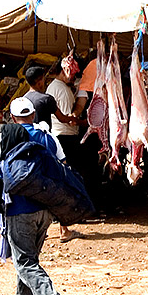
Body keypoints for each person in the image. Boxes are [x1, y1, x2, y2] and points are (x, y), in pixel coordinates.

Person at [0, 97, 73, 295]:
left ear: (12, 118)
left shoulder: (6, 137)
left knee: (24, 261)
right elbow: (62, 165)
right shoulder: (48, 136)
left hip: (18, 208)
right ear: (33, 115)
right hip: (46, 210)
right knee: (29, 259)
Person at [44, 62, 84, 243]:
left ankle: (62, 220)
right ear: (64, 70)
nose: (73, 77)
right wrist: (85, 121)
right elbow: (70, 119)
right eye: (72, 73)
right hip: (66, 137)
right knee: (68, 178)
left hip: (59, 136)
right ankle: (66, 221)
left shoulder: (54, 87)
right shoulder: (62, 90)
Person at [23, 66, 75, 131]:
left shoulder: (23, 99)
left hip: (28, 137)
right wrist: (73, 119)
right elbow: (62, 118)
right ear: (39, 82)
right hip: (43, 137)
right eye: (43, 79)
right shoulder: (46, 99)